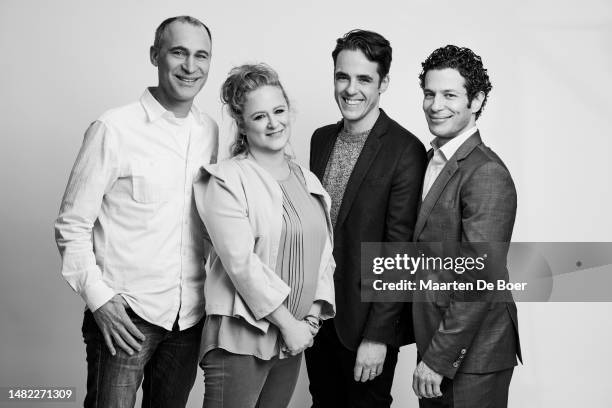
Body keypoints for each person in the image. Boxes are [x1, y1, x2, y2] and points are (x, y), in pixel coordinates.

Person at [54, 16, 218, 408]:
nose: (190, 66)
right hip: (126, 316)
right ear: (154, 55)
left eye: (201, 56)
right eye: (178, 52)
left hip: (189, 319)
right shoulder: (114, 128)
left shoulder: (210, 130)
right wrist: (99, 300)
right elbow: (71, 225)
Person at [193, 63, 335, 408]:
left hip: (295, 337)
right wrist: (288, 323)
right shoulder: (224, 179)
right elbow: (241, 264)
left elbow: (324, 258)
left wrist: (311, 320)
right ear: (242, 124)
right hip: (241, 339)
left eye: (279, 111)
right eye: (259, 117)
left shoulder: (308, 180)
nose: (273, 123)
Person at [306, 29, 427, 408]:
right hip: (316, 317)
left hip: (365, 325)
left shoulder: (405, 150)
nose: (350, 89)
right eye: (343, 76)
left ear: (383, 83)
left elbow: (400, 251)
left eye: (364, 79)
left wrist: (378, 336)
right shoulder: (320, 139)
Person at [411, 45, 522, 407]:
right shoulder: (430, 161)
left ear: (476, 100)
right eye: (430, 93)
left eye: (449, 95)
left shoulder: (486, 173)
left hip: (472, 357)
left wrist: (438, 359)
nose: (435, 104)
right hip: (437, 342)